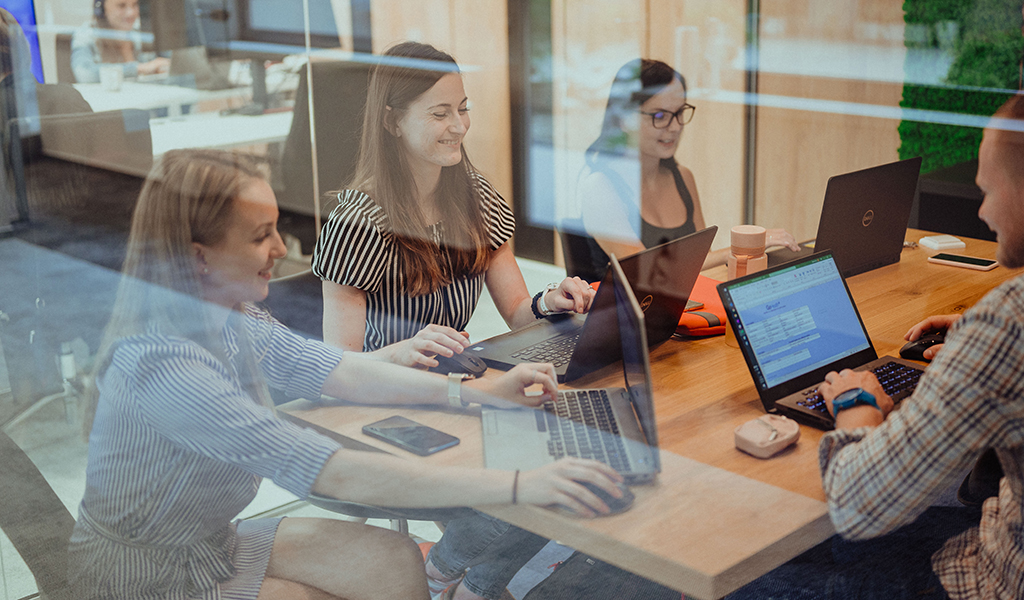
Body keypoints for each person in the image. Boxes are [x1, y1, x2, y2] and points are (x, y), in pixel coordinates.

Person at [67, 148, 624, 600]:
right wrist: (517, 484)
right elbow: (328, 471)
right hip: (142, 580)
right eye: (260, 235)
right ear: (199, 257)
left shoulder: (230, 317)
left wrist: (474, 393)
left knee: (394, 558)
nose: (281, 249)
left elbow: (339, 370)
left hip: (209, 543)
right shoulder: (167, 369)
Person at [728, 94, 1024, 599]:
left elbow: (858, 502)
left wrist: (856, 401)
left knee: (748, 572)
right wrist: (979, 342)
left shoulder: (1009, 324)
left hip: (991, 579)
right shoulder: (1004, 326)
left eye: (989, 191)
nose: (983, 210)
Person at [311, 41, 594, 370]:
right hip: (388, 389)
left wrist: (549, 302)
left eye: (463, 108)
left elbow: (518, 313)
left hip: (456, 379)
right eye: (440, 113)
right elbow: (338, 368)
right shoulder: (357, 222)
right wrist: (402, 352)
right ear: (392, 122)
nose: (460, 126)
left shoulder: (476, 196)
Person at [575, 59, 798, 279]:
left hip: (686, 309)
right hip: (629, 313)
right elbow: (643, 273)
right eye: (660, 116)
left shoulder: (683, 177)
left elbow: (703, 263)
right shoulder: (600, 187)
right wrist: (740, 248)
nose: (675, 127)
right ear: (624, 119)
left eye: (680, 112)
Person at [71, 0, 169, 84]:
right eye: (121, 6)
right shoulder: (87, 34)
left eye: (135, 4)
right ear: (101, 9)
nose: (131, 13)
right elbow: (85, 74)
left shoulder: (142, 34)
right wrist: (139, 69)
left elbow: (170, 64)